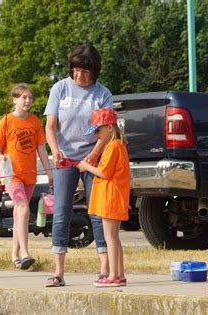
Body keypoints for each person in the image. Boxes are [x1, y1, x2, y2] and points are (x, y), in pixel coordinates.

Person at [44, 44, 113, 287]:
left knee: (97, 212)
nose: (78, 75)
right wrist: (54, 150)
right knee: (61, 212)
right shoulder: (60, 88)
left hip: (92, 158)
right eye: (74, 69)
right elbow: (50, 125)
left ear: (94, 71)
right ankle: (58, 272)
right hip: (65, 158)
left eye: (83, 71)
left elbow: (107, 131)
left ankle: (105, 269)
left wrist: (94, 155)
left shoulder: (102, 94)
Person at [0, 83, 53, 270]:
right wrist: (0, 156)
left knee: (20, 214)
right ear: (15, 100)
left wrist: (49, 171)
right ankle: (26, 253)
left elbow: (41, 149)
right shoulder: (6, 121)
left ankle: (14, 255)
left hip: (30, 174)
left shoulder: (35, 121)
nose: (28, 101)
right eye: (24, 97)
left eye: (30, 98)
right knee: (23, 207)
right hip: (12, 174)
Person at [77, 108, 130, 287]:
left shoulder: (113, 146)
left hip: (110, 198)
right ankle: (120, 275)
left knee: (110, 238)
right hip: (113, 197)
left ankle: (113, 275)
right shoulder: (117, 145)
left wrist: (86, 166)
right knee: (114, 237)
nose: (96, 135)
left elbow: (104, 173)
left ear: (108, 127)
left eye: (98, 131)